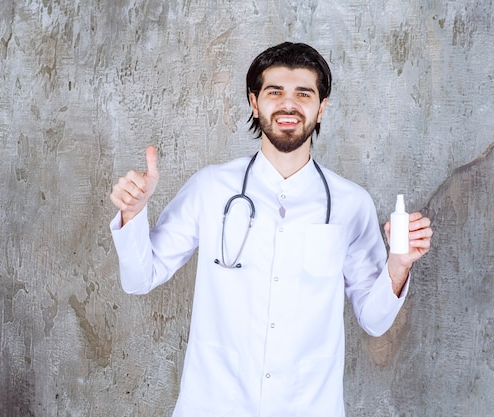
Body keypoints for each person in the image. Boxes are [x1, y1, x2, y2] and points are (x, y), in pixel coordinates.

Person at [109, 42, 432, 417]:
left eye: (303, 93)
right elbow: (139, 278)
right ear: (254, 102)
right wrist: (133, 214)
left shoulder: (350, 204)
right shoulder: (211, 188)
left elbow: (375, 321)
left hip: (308, 407)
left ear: (322, 106)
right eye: (274, 92)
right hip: (214, 404)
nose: (288, 105)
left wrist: (398, 266)